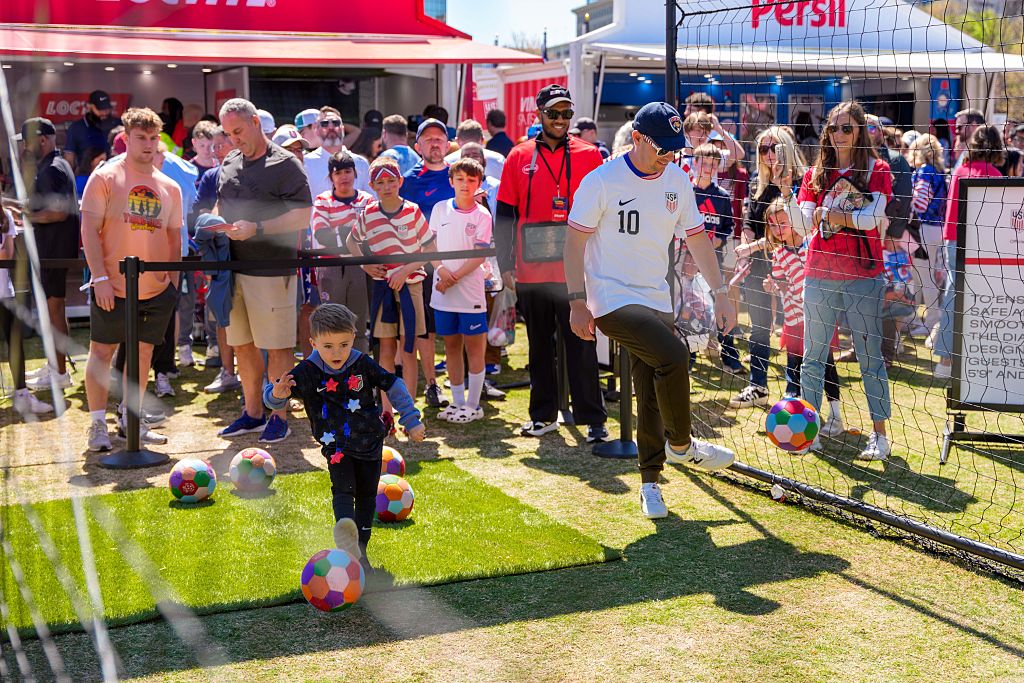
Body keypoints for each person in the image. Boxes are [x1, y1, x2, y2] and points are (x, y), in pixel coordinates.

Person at [564, 101, 737, 519]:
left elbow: (696, 238)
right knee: (676, 356)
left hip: (656, 297)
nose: (669, 156)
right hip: (610, 299)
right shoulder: (601, 181)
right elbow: (573, 243)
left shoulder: (677, 178)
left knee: (651, 392)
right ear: (637, 138)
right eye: (662, 147)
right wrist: (576, 302)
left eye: (674, 148)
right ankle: (682, 446)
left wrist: (722, 291)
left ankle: (649, 484)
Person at [265, 303, 424, 573]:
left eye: (344, 344)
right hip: (336, 446)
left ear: (353, 336)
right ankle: (346, 541)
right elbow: (274, 396)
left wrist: (411, 419)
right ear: (313, 342)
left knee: (366, 498)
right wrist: (276, 395)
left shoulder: (362, 363)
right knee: (342, 489)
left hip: (371, 442)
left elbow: (393, 384)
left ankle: (360, 555)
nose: (337, 352)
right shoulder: (306, 371)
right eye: (328, 346)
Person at [495, 84, 608, 442]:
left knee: (582, 344)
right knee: (539, 347)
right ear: (539, 115)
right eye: (553, 113)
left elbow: (604, 211)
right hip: (531, 271)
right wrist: (504, 263)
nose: (560, 120)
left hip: (577, 271)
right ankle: (543, 416)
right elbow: (505, 214)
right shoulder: (518, 156)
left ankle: (593, 420)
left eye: (566, 114)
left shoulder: (591, 155)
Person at [794, 100, 893, 461]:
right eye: (832, 128)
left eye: (846, 128)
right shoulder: (814, 172)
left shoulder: (877, 169)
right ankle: (809, 433)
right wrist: (821, 214)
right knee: (813, 356)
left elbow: (871, 220)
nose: (838, 135)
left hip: (864, 277)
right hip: (819, 274)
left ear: (860, 131)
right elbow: (804, 222)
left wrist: (831, 214)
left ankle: (880, 436)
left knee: (870, 358)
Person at [80, 107, 183, 451]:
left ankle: (130, 420)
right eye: (142, 137)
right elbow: (89, 231)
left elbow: (173, 237)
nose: (150, 144)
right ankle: (97, 425)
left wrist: (172, 281)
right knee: (102, 353)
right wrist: (99, 277)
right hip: (112, 283)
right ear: (127, 137)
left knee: (142, 355)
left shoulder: (169, 185)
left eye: (154, 138)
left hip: (155, 289)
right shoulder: (105, 176)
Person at [215, 97, 313, 444]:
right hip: (232, 270)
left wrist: (256, 228)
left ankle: (279, 417)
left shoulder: (286, 164)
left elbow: (303, 215)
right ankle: (253, 413)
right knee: (242, 345)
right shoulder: (229, 160)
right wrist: (212, 226)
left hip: (273, 271)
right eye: (228, 133)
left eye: (238, 131)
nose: (233, 139)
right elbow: (221, 202)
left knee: (277, 347)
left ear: (256, 121)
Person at [347, 156, 439, 424]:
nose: (386, 187)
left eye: (391, 181)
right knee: (385, 348)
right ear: (373, 185)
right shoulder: (368, 214)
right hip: (382, 288)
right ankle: (386, 411)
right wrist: (365, 265)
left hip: (411, 286)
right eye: (380, 182)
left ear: (400, 181)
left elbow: (430, 251)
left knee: (408, 348)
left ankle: (409, 412)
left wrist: (404, 270)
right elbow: (353, 243)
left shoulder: (412, 210)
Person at [730, 126, 804, 408]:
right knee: (759, 328)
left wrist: (753, 246)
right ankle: (757, 386)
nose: (769, 154)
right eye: (763, 149)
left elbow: (793, 231)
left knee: (793, 329)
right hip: (760, 266)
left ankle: (793, 391)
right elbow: (750, 221)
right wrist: (746, 242)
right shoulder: (758, 185)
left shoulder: (796, 183)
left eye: (775, 148)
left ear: (786, 148)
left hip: (792, 266)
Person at [761, 198, 844, 439]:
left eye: (783, 223)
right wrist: (772, 287)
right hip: (794, 320)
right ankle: (800, 417)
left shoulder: (811, 244)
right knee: (794, 368)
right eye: (773, 225)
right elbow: (780, 285)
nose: (779, 229)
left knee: (826, 365)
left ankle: (836, 415)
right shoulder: (778, 255)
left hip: (819, 317)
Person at [15, 118, 81, 392]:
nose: (25, 147)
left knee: (54, 308)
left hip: (54, 250)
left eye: (28, 141)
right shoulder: (52, 165)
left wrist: (28, 218)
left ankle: (60, 372)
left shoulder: (53, 168)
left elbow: (58, 212)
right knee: (52, 309)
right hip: (51, 249)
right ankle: (55, 365)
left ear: (42, 139)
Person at [934, 124, 1005, 379]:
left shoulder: (960, 171)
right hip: (979, 243)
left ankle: (945, 359)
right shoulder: (995, 175)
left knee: (954, 296)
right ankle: (974, 357)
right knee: (981, 300)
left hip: (952, 239)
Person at [429, 158, 492, 423]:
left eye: (471, 180)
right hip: (442, 293)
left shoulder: (483, 215)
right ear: (451, 181)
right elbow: (429, 246)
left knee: (474, 349)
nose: (465, 184)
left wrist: (452, 277)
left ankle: (473, 405)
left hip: (471, 296)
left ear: (478, 183)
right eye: (460, 179)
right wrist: (441, 272)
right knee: (451, 347)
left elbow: (479, 256)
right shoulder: (439, 208)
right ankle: (456, 403)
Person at [399, 117, 455, 408]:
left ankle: (465, 384)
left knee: (460, 327)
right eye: (428, 138)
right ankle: (432, 383)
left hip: (460, 265)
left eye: (439, 138)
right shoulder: (408, 181)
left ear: (447, 144)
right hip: (423, 267)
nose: (435, 143)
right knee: (426, 328)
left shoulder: (459, 175)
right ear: (417, 145)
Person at [311, 151, 373, 354]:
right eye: (338, 172)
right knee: (332, 324)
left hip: (360, 267)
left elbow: (372, 234)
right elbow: (322, 236)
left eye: (348, 171)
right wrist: (352, 233)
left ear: (355, 173)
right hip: (330, 268)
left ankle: (360, 374)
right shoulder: (322, 201)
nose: (344, 176)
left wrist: (341, 232)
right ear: (331, 177)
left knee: (358, 325)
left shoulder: (367, 200)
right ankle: (333, 373)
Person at [690, 144, 742, 375]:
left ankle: (730, 356)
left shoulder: (721, 197)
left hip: (713, 264)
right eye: (704, 163)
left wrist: (717, 242)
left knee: (721, 307)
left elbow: (728, 227)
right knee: (688, 310)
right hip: (686, 264)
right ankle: (688, 357)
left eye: (713, 164)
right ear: (695, 163)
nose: (708, 168)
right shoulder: (686, 192)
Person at [1, 206, 54, 418]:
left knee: (15, 343)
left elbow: (7, 253)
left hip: (4, 292)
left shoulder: (4, 216)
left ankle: (22, 395)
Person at [907, 133, 948, 344]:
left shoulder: (924, 171)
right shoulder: (940, 171)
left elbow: (920, 202)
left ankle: (930, 322)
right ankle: (921, 319)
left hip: (922, 228)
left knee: (923, 277)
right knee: (926, 275)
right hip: (936, 228)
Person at [304, 107, 371, 198]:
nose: (331, 127)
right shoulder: (306, 163)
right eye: (325, 124)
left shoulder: (361, 163)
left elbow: (372, 202)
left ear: (342, 128)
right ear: (316, 130)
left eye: (336, 123)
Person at [64, 90, 118, 169]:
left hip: (115, 174)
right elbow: (69, 159)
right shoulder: (76, 128)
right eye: (100, 109)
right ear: (89, 106)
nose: (104, 113)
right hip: (86, 176)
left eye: (107, 109)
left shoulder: (118, 124)